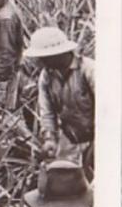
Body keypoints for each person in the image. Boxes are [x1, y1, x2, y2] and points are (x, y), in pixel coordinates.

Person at [23, 27, 94, 178]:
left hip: (98, 137)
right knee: (64, 183)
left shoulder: (88, 70)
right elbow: (47, 113)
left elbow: (109, 111)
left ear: (60, 53)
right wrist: (50, 139)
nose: (41, 61)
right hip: (70, 138)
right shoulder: (47, 76)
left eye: (45, 57)